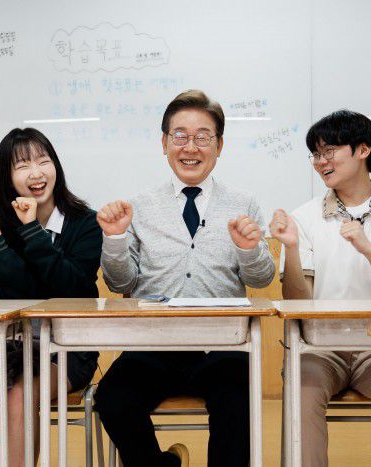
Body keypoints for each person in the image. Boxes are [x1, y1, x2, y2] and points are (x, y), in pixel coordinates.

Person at [94, 89, 275, 467]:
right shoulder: (138, 205)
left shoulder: (243, 203)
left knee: (237, 405)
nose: (190, 147)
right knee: (112, 398)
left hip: (223, 347)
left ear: (219, 145)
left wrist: (248, 249)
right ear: (164, 143)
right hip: (151, 346)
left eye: (202, 136)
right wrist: (114, 239)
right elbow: (120, 283)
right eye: (180, 135)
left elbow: (261, 279)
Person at [270, 110, 371, 467]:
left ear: (363, 150)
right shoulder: (304, 217)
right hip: (318, 347)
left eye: (329, 151)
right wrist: (291, 249)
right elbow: (296, 303)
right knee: (301, 392)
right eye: (316, 154)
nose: (320, 161)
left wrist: (370, 251)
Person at [0, 128, 102, 467]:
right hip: (12, 347)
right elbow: (20, 297)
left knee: (16, 394)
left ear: (55, 166)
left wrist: (32, 230)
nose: (35, 173)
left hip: (68, 350)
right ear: (8, 177)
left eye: (43, 161)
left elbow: (72, 290)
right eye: (22, 165)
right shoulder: (2, 227)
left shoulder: (85, 223)